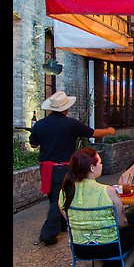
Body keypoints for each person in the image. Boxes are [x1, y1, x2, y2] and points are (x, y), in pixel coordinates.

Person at [29, 91, 116, 246]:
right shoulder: (70, 124)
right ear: (65, 109)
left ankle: (62, 225)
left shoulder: (40, 124)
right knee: (58, 198)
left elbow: (33, 144)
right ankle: (47, 234)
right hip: (63, 167)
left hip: (46, 168)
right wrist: (108, 130)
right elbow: (93, 133)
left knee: (54, 196)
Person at [59, 147, 134, 267]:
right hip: (109, 246)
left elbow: (69, 221)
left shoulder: (65, 191)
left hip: (80, 248)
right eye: (100, 162)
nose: (101, 165)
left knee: (90, 231)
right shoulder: (107, 191)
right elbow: (122, 223)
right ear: (91, 167)